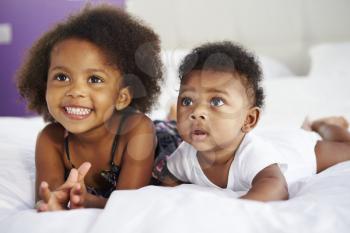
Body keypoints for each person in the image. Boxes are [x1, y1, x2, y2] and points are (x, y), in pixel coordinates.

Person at [153, 41, 350, 202]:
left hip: (296, 149)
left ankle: (324, 125)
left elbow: (275, 187)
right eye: (187, 101)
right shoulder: (185, 155)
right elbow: (169, 180)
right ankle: (309, 127)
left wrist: (238, 209)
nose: (197, 112)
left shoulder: (252, 154)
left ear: (249, 119)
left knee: (345, 148)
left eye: (216, 101)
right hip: (272, 140)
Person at [16, 4, 163, 211]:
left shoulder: (138, 130)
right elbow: (48, 195)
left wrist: (90, 202)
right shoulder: (51, 140)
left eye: (94, 79)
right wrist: (53, 202)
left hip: (162, 142)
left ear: (122, 97)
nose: (75, 91)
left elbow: (129, 205)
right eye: (62, 77)